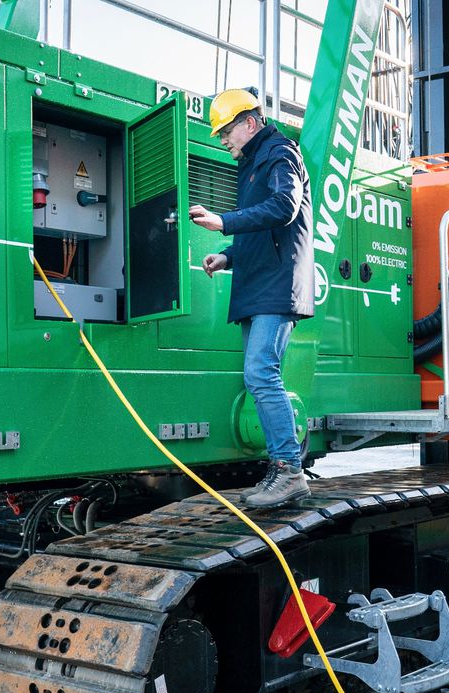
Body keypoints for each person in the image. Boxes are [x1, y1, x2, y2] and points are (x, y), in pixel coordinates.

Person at [189, 88, 315, 509]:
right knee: (258, 375)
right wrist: (226, 257)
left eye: (226, 132)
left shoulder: (281, 152)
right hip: (258, 282)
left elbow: (284, 207)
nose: (223, 140)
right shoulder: (251, 166)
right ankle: (281, 468)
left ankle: (289, 471)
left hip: (277, 285)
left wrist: (223, 221)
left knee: (262, 373)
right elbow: (259, 231)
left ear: (249, 122)